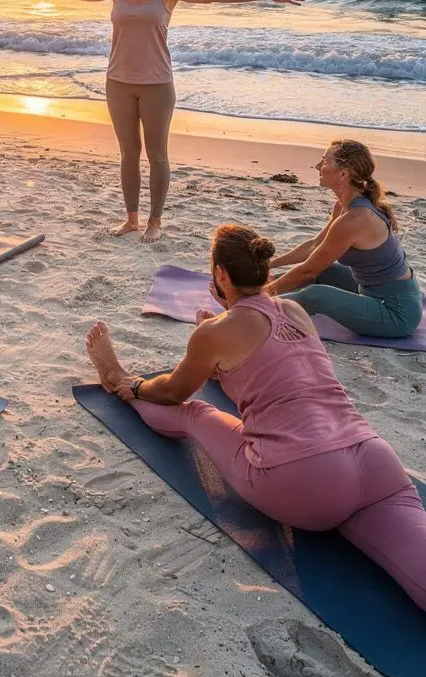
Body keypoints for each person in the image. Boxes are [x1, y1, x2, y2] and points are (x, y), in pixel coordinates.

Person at [85, 223, 426, 610]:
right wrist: (215, 346)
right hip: (374, 460)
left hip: (303, 480)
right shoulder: (295, 310)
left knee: (194, 414)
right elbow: (275, 370)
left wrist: (138, 384)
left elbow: (174, 392)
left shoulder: (216, 331)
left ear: (221, 275)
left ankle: (115, 378)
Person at [1, 0, 306, 242]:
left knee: (157, 154)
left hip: (157, 84)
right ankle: (131, 220)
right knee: (128, 154)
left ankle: (154, 223)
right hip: (117, 82)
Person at [267, 139, 422, 339]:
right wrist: (270, 264)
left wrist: (267, 292)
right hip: (370, 290)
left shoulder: (355, 219)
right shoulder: (342, 206)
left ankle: (253, 305)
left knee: (316, 295)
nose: (317, 167)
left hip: (396, 312)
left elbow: (308, 270)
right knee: (325, 271)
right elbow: (315, 246)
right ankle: (253, 289)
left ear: (343, 174)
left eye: (324, 162)